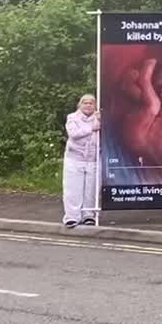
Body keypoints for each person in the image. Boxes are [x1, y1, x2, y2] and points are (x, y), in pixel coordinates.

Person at [62, 94, 100, 228]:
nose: (88, 105)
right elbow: (74, 134)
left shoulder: (99, 118)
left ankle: (88, 215)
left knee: (91, 189)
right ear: (80, 105)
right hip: (75, 158)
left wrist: (100, 122)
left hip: (93, 159)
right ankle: (72, 216)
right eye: (85, 103)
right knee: (73, 188)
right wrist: (92, 128)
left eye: (91, 103)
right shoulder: (72, 117)